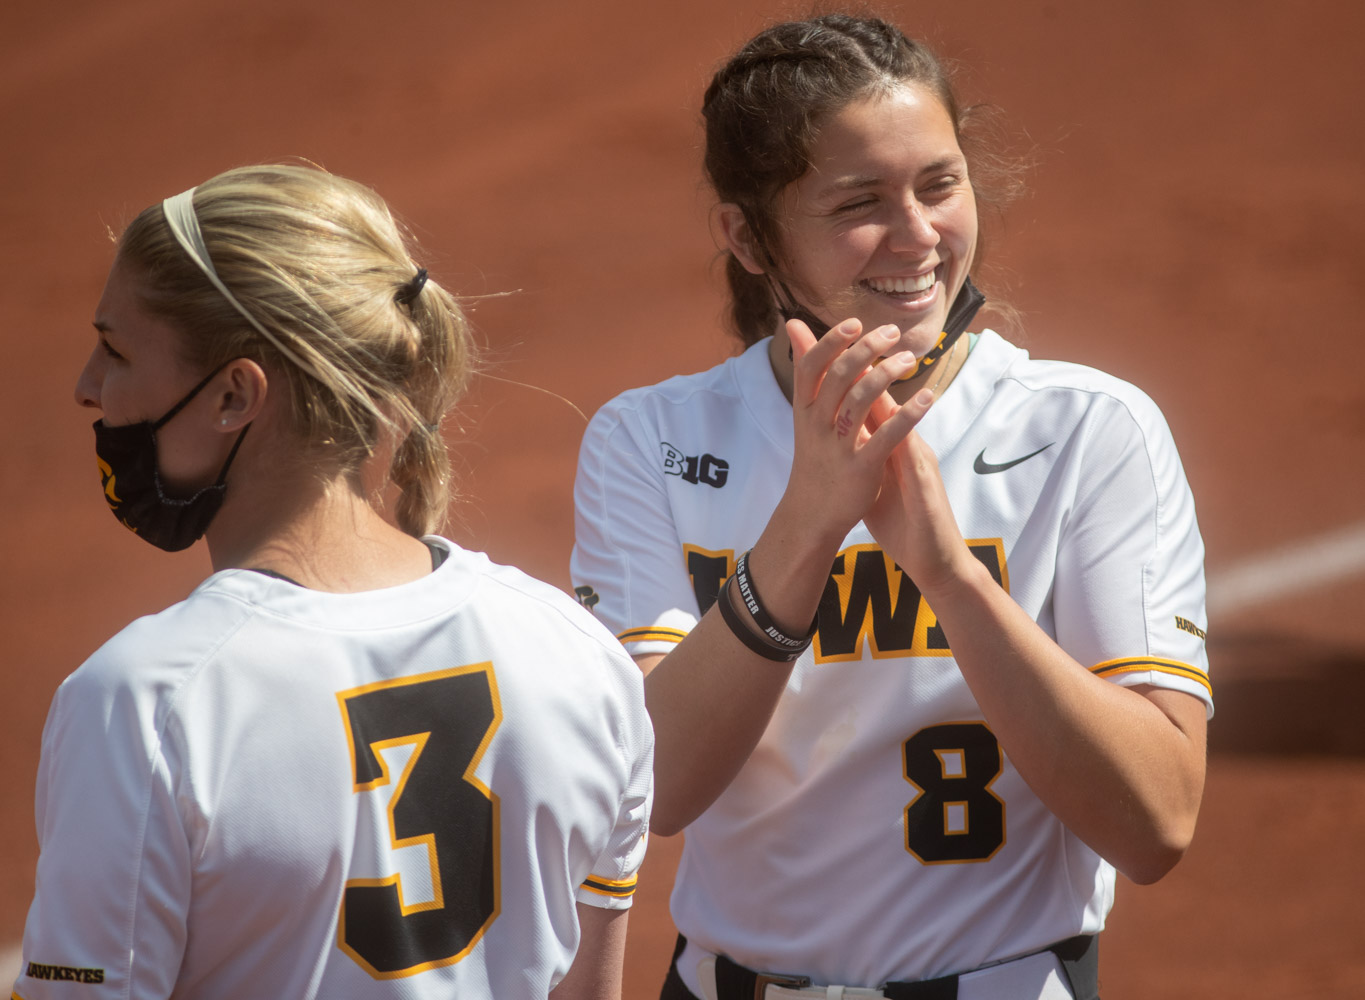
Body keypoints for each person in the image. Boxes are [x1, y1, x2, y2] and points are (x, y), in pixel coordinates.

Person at [571, 14, 1210, 1000]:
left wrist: (951, 574)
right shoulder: (652, 441)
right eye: (860, 201)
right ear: (748, 235)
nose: (918, 236)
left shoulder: (1088, 430)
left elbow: (1157, 822)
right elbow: (657, 786)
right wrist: (808, 526)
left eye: (939, 185)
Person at [14, 164, 652, 1000]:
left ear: (234, 396)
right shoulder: (577, 657)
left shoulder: (146, 703)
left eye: (116, 348)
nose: (86, 387)